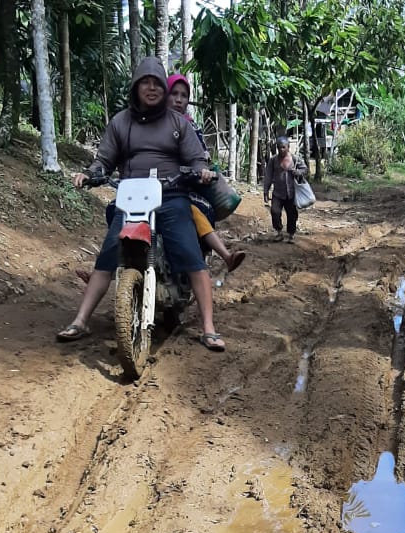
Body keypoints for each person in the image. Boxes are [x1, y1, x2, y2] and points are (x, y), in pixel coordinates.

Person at [57, 56, 226, 352]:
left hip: (171, 196)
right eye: (144, 82)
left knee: (190, 254)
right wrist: (91, 174)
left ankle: (209, 328)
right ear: (135, 87)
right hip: (131, 196)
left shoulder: (178, 124)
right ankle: (81, 319)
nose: (151, 88)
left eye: (156, 83)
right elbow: (104, 160)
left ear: (163, 87)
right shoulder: (121, 122)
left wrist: (201, 170)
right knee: (109, 253)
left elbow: (197, 158)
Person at [166, 73, 245, 275]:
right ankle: (104, 269)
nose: (178, 99)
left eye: (183, 95)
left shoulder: (191, 127)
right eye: (173, 93)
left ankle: (221, 257)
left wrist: (203, 171)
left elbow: (201, 157)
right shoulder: (152, 124)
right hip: (152, 186)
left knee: (196, 211)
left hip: (182, 186)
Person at [263, 135, 307, 243]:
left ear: (288, 147)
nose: (281, 150)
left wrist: (298, 172)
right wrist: (265, 190)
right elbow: (268, 175)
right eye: (279, 148)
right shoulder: (273, 160)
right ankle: (278, 232)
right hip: (278, 193)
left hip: (291, 193)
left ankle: (291, 234)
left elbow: (304, 168)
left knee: (292, 214)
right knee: (275, 211)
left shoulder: (295, 159)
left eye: (283, 147)